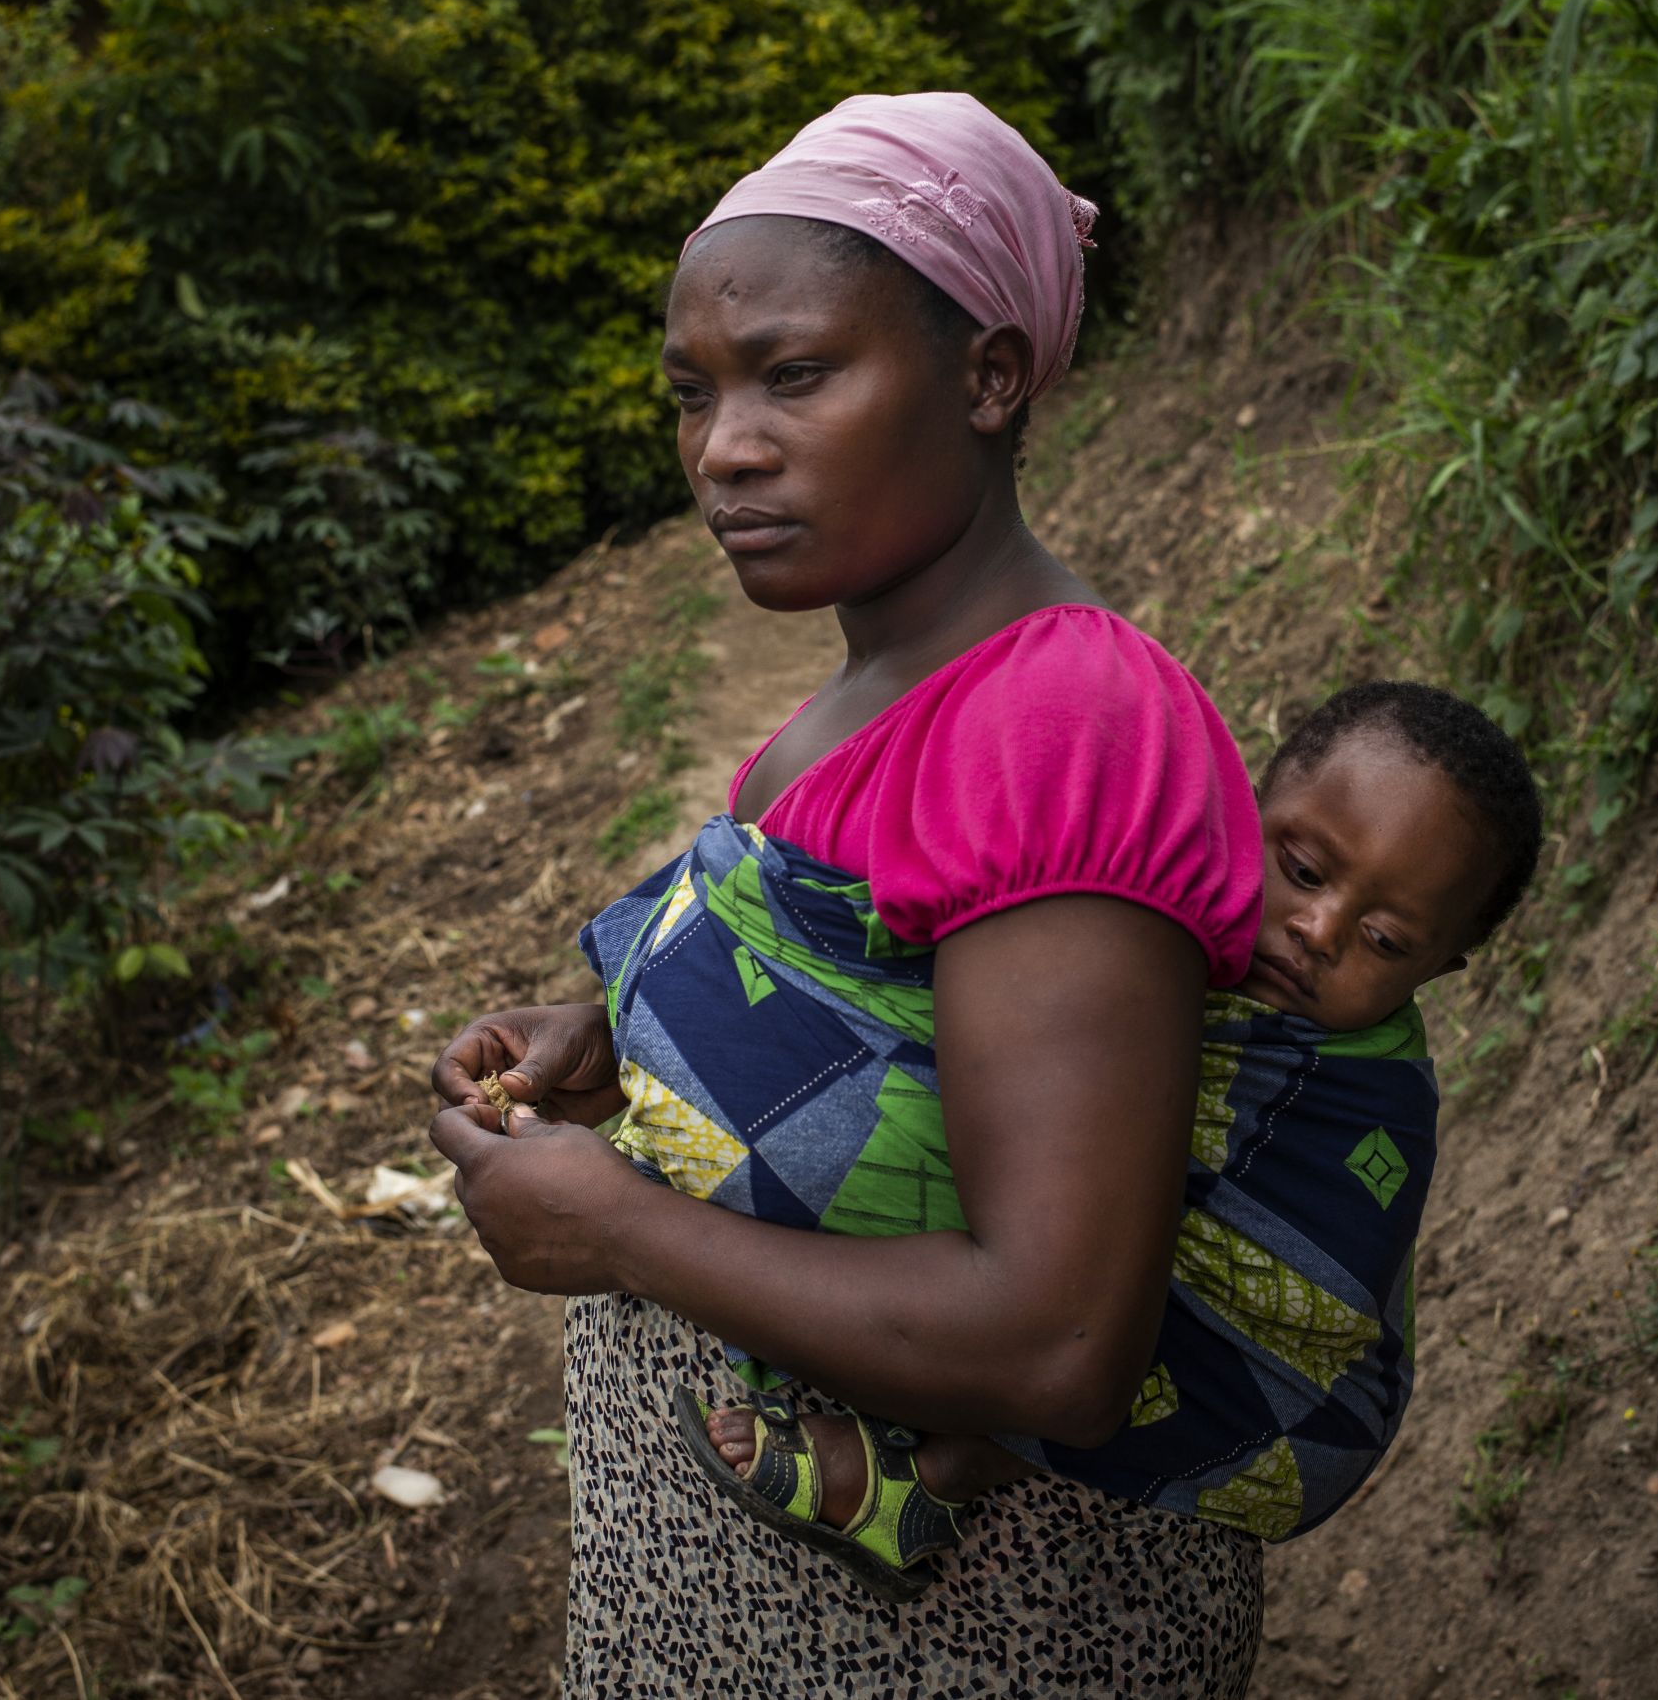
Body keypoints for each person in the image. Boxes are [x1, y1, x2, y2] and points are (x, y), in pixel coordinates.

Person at [431, 92, 1273, 1694]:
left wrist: (618, 1227)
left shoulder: (1058, 723)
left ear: (988, 375)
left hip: (952, 1631)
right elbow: (861, 1006)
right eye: (693, 393)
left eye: (796, 375)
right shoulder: (876, 688)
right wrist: (620, 1040)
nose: (723, 446)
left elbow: (1059, 1342)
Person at [646, 680, 1544, 1603]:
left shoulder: (1365, 1095)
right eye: (1306, 872)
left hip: (1290, 1407)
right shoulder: (1130, 900)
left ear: (1444, 968)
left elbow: (1313, 1279)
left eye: (1387, 940)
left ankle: (943, 1471)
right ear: (1245, 803)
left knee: (1088, 1294)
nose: (1320, 930)